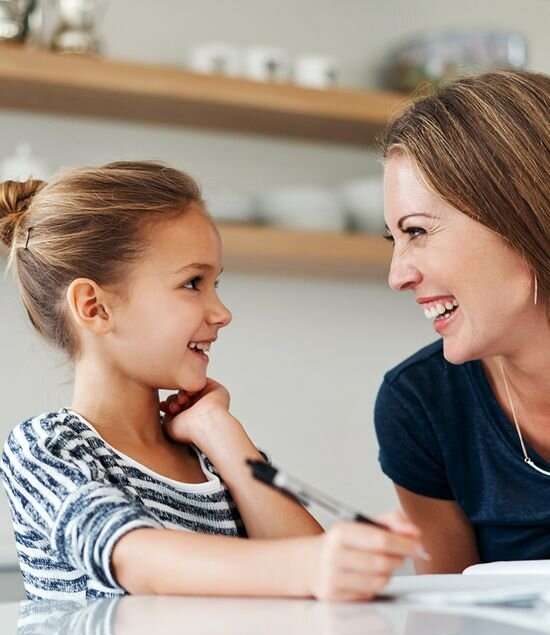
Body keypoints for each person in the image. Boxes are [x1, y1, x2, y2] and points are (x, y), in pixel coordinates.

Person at [0, 161, 423, 602]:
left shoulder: (211, 457)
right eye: (192, 283)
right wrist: (310, 565)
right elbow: (138, 562)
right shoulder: (47, 448)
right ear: (94, 307)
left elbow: (314, 587)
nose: (222, 313)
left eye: (215, 283)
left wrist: (220, 432)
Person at [376, 70, 550, 572]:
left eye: (416, 231)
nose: (397, 276)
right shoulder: (421, 404)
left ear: (521, 214)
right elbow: (446, 610)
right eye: (393, 239)